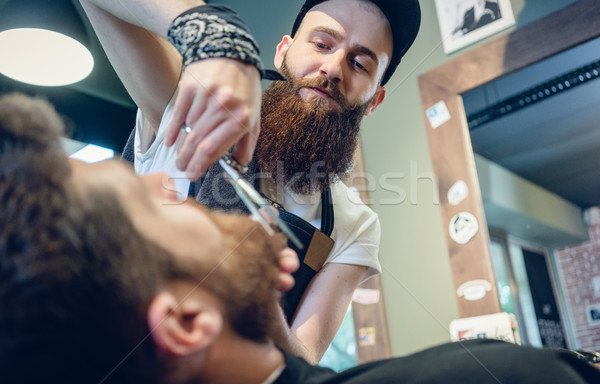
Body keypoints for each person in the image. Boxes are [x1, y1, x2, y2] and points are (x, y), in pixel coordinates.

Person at [1, 92, 599, 384]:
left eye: (363, 62)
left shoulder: (353, 220)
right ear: (184, 322)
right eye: (143, 200)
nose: (162, 183)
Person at [71, 0, 421, 363]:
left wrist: (261, 303)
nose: (333, 69)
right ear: (283, 50)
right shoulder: (196, 109)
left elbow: (302, 363)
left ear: (376, 100)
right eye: (322, 44)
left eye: (360, 64)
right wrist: (217, 35)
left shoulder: (356, 225)